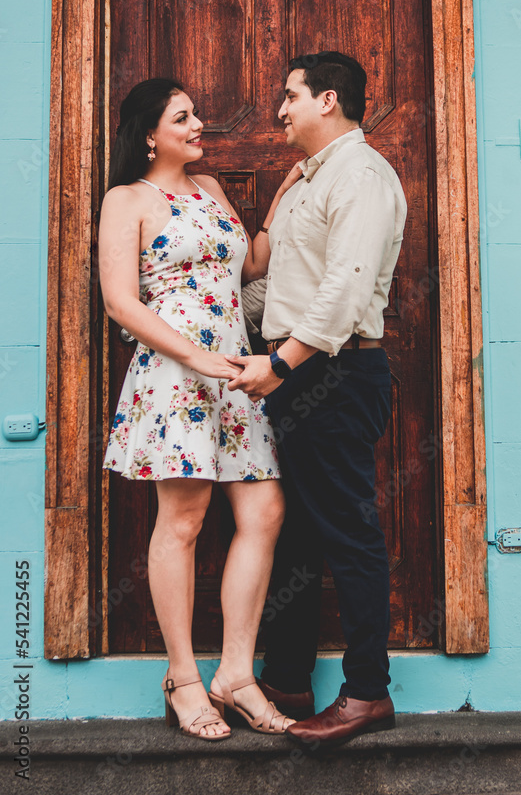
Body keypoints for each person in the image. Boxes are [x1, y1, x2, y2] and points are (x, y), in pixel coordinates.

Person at [99, 78, 301, 740]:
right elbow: (120, 304)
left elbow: (246, 271)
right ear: (149, 134)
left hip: (236, 374)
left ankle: (235, 674)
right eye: (182, 117)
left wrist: (279, 202)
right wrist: (201, 357)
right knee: (182, 521)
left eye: (195, 114)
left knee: (264, 509)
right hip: (175, 377)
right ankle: (183, 676)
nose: (198, 123)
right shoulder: (126, 200)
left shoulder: (211, 191)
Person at [226, 51, 407, 748]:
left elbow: (347, 287)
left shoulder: (361, 174)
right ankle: (289, 678)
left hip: (334, 374)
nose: (279, 109)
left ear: (327, 100)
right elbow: (284, 291)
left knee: (347, 532)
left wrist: (281, 361)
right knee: (297, 532)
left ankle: (367, 692)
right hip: (298, 371)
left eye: (290, 97)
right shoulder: (305, 181)